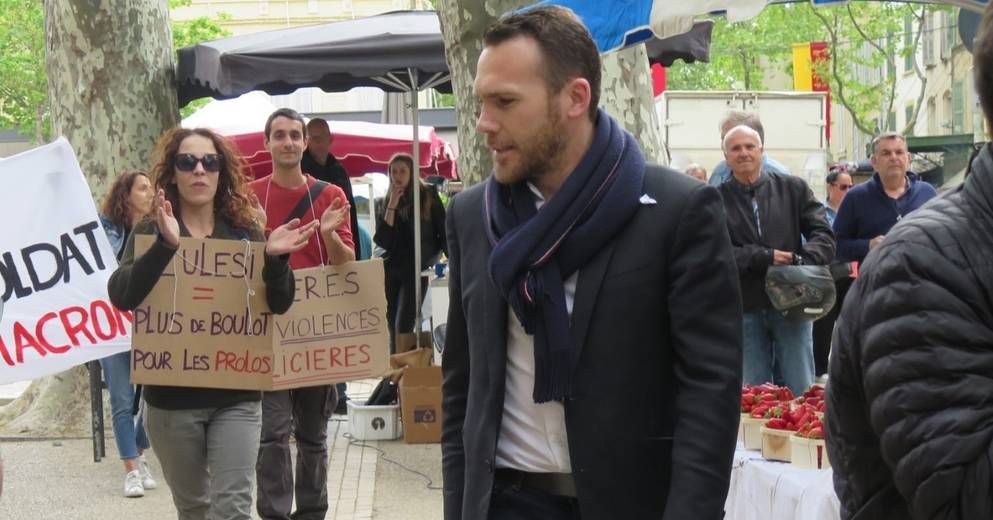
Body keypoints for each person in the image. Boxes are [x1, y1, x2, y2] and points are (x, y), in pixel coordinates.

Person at [442, 6, 742, 520]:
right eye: (480, 102)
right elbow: (461, 388)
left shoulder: (676, 211)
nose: (483, 124)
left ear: (575, 98)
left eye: (505, 102)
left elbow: (710, 393)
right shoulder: (473, 217)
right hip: (505, 504)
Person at [826, 6, 993, 518]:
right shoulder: (913, 257)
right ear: (876, 160)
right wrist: (870, 247)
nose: (897, 159)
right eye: (889, 152)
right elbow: (836, 246)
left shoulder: (922, 194)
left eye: (902, 152)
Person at [108, 127, 313, 519]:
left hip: (235, 397)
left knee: (233, 509)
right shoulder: (152, 230)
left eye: (210, 162)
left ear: (221, 172)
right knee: (195, 509)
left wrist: (275, 260)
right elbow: (122, 295)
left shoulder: (243, 233)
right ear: (173, 171)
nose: (199, 170)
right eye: (188, 162)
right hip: (171, 401)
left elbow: (280, 303)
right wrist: (166, 248)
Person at [250, 108, 355, 520]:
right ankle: (273, 513)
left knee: (313, 435)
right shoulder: (249, 196)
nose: (289, 142)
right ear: (268, 143)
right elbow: (236, 265)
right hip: (268, 331)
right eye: (281, 135)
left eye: (296, 134)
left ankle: (312, 511)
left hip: (317, 332)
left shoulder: (331, 195)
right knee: (271, 434)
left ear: (306, 143)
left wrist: (329, 235)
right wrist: (258, 235)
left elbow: (347, 265)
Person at [718, 125, 834, 395]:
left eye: (750, 146)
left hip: (793, 302)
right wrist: (764, 257)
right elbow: (714, 252)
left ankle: (802, 438)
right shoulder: (715, 199)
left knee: (802, 388)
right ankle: (760, 439)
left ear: (762, 151)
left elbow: (824, 234)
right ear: (726, 157)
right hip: (745, 306)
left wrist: (802, 260)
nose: (744, 153)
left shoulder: (793, 189)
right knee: (755, 395)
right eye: (735, 148)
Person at [97, 169, 158, 497]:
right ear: (127, 194)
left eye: (151, 187)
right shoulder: (106, 230)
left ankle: (140, 451)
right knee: (121, 398)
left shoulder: (160, 230)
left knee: (149, 399)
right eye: (143, 188)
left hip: (149, 325)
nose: (149, 193)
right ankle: (132, 469)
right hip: (110, 327)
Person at [300, 117, 360, 413]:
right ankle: (320, 391)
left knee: (336, 330)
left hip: (337, 258)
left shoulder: (339, 171)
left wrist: (355, 259)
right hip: (308, 261)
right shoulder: (299, 168)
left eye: (321, 137)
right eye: (312, 137)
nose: (317, 142)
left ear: (330, 139)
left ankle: (339, 393)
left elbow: (352, 219)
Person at [374, 153, 447, 353]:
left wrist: (452, 259)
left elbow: (444, 229)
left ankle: (401, 371)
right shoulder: (385, 200)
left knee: (403, 325)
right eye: (393, 171)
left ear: (412, 173)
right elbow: (383, 240)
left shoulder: (427, 196)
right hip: (392, 267)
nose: (397, 176)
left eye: (402, 171)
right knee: (391, 326)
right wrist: (392, 206)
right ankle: (396, 373)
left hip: (416, 267)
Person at [832, 132, 937, 263]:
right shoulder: (856, 197)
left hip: (924, 279)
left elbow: (943, 239)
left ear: (908, 158)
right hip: (877, 280)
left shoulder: (927, 193)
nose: (894, 157)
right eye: (886, 153)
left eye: (899, 152)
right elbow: (834, 246)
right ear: (874, 162)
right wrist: (868, 246)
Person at [811, 170, 853, 376]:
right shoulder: (821, 212)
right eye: (843, 187)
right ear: (830, 187)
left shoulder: (853, 210)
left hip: (851, 274)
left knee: (850, 323)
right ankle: (820, 368)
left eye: (850, 187)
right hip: (827, 274)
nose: (848, 191)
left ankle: (846, 366)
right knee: (824, 325)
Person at [708, 111, 791, 186]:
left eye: (748, 146)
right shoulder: (720, 171)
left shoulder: (781, 178)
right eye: (723, 139)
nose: (723, 145)